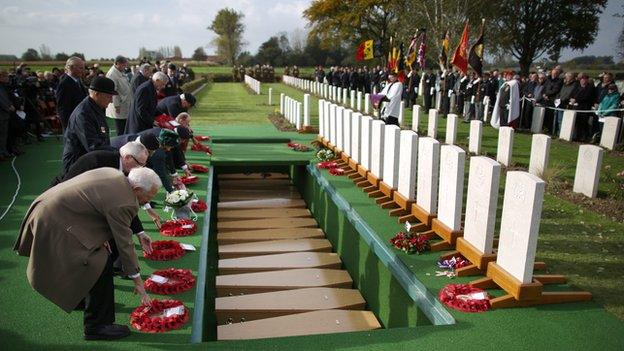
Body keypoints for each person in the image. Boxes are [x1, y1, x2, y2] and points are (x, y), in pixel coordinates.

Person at [14, 167, 162, 340]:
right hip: (55, 220)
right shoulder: (125, 201)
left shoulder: (114, 174)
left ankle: (81, 297)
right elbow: (125, 244)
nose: (149, 201)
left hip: (50, 208)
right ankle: (97, 326)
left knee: (97, 255)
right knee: (99, 262)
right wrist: (137, 280)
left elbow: (94, 207)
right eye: (149, 197)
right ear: (137, 189)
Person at [62, 76, 117, 173]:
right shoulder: (83, 114)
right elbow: (93, 146)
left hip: (89, 160)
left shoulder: (96, 107)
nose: (111, 100)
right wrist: (118, 152)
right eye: (109, 96)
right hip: (77, 165)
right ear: (96, 94)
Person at [56, 57, 87, 130]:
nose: (83, 71)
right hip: (72, 125)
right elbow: (63, 109)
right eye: (81, 68)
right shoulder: (64, 84)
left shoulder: (78, 81)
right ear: (71, 68)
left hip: (80, 121)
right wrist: (68, 127)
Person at [106, 56, 133, 136]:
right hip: (119, 107)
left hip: (124, 105)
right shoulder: (112, 74)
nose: (125, 67)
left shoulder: (120, 72)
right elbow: (113, 91)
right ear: (117, 63)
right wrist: (116, 106)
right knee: (120, 130)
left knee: (124, 128)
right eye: (123, 65)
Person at [553, 72, 578, 136]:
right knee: (558, 119)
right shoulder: (564, 84)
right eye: (566, 77)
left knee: (563, 120)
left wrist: (563, 100)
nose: (566, 78)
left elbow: (569, 94)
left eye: (567, 77)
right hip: (559, 103)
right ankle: (558, 133)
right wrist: (557, 98)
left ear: (571, 77)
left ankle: (562, 134)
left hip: (565, 104)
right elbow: (560, 93)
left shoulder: (574, 85)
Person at [0, 70, 15, 160]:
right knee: (1, 134)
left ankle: (4, 151)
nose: (7, 78)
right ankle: (1, 152)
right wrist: (7, 107)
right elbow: (1, 101)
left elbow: (6, 98)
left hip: (5, 114)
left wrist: (10, 104)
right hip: (2, 113)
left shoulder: (3, 87)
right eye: (5, 77)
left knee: (4, 134)